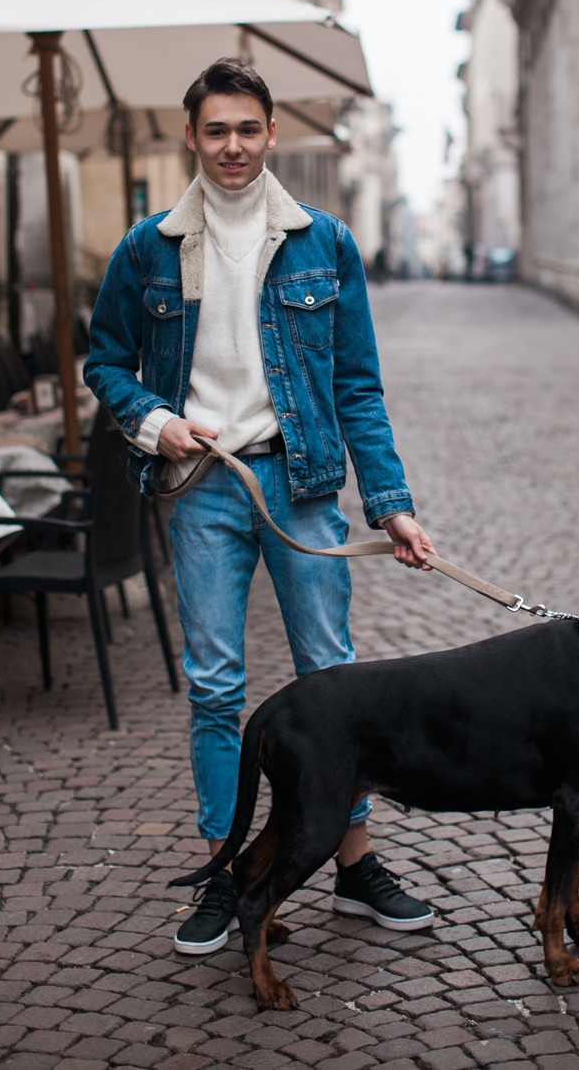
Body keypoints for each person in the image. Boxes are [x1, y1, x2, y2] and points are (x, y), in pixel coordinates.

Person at [85, 57, 437, 957]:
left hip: (305, 484)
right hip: (203, 488)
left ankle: (354, 865)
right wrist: (154, 420)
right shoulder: (146, 249)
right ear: (191, 138)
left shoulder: (325, 242)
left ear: (272, 133)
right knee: (215, 686)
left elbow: (357, 386)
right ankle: (228, 873)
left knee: (332, 680)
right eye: (216, 130)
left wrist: (389, 504)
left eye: (248, 129)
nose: (233, 146)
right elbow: (107, 365)